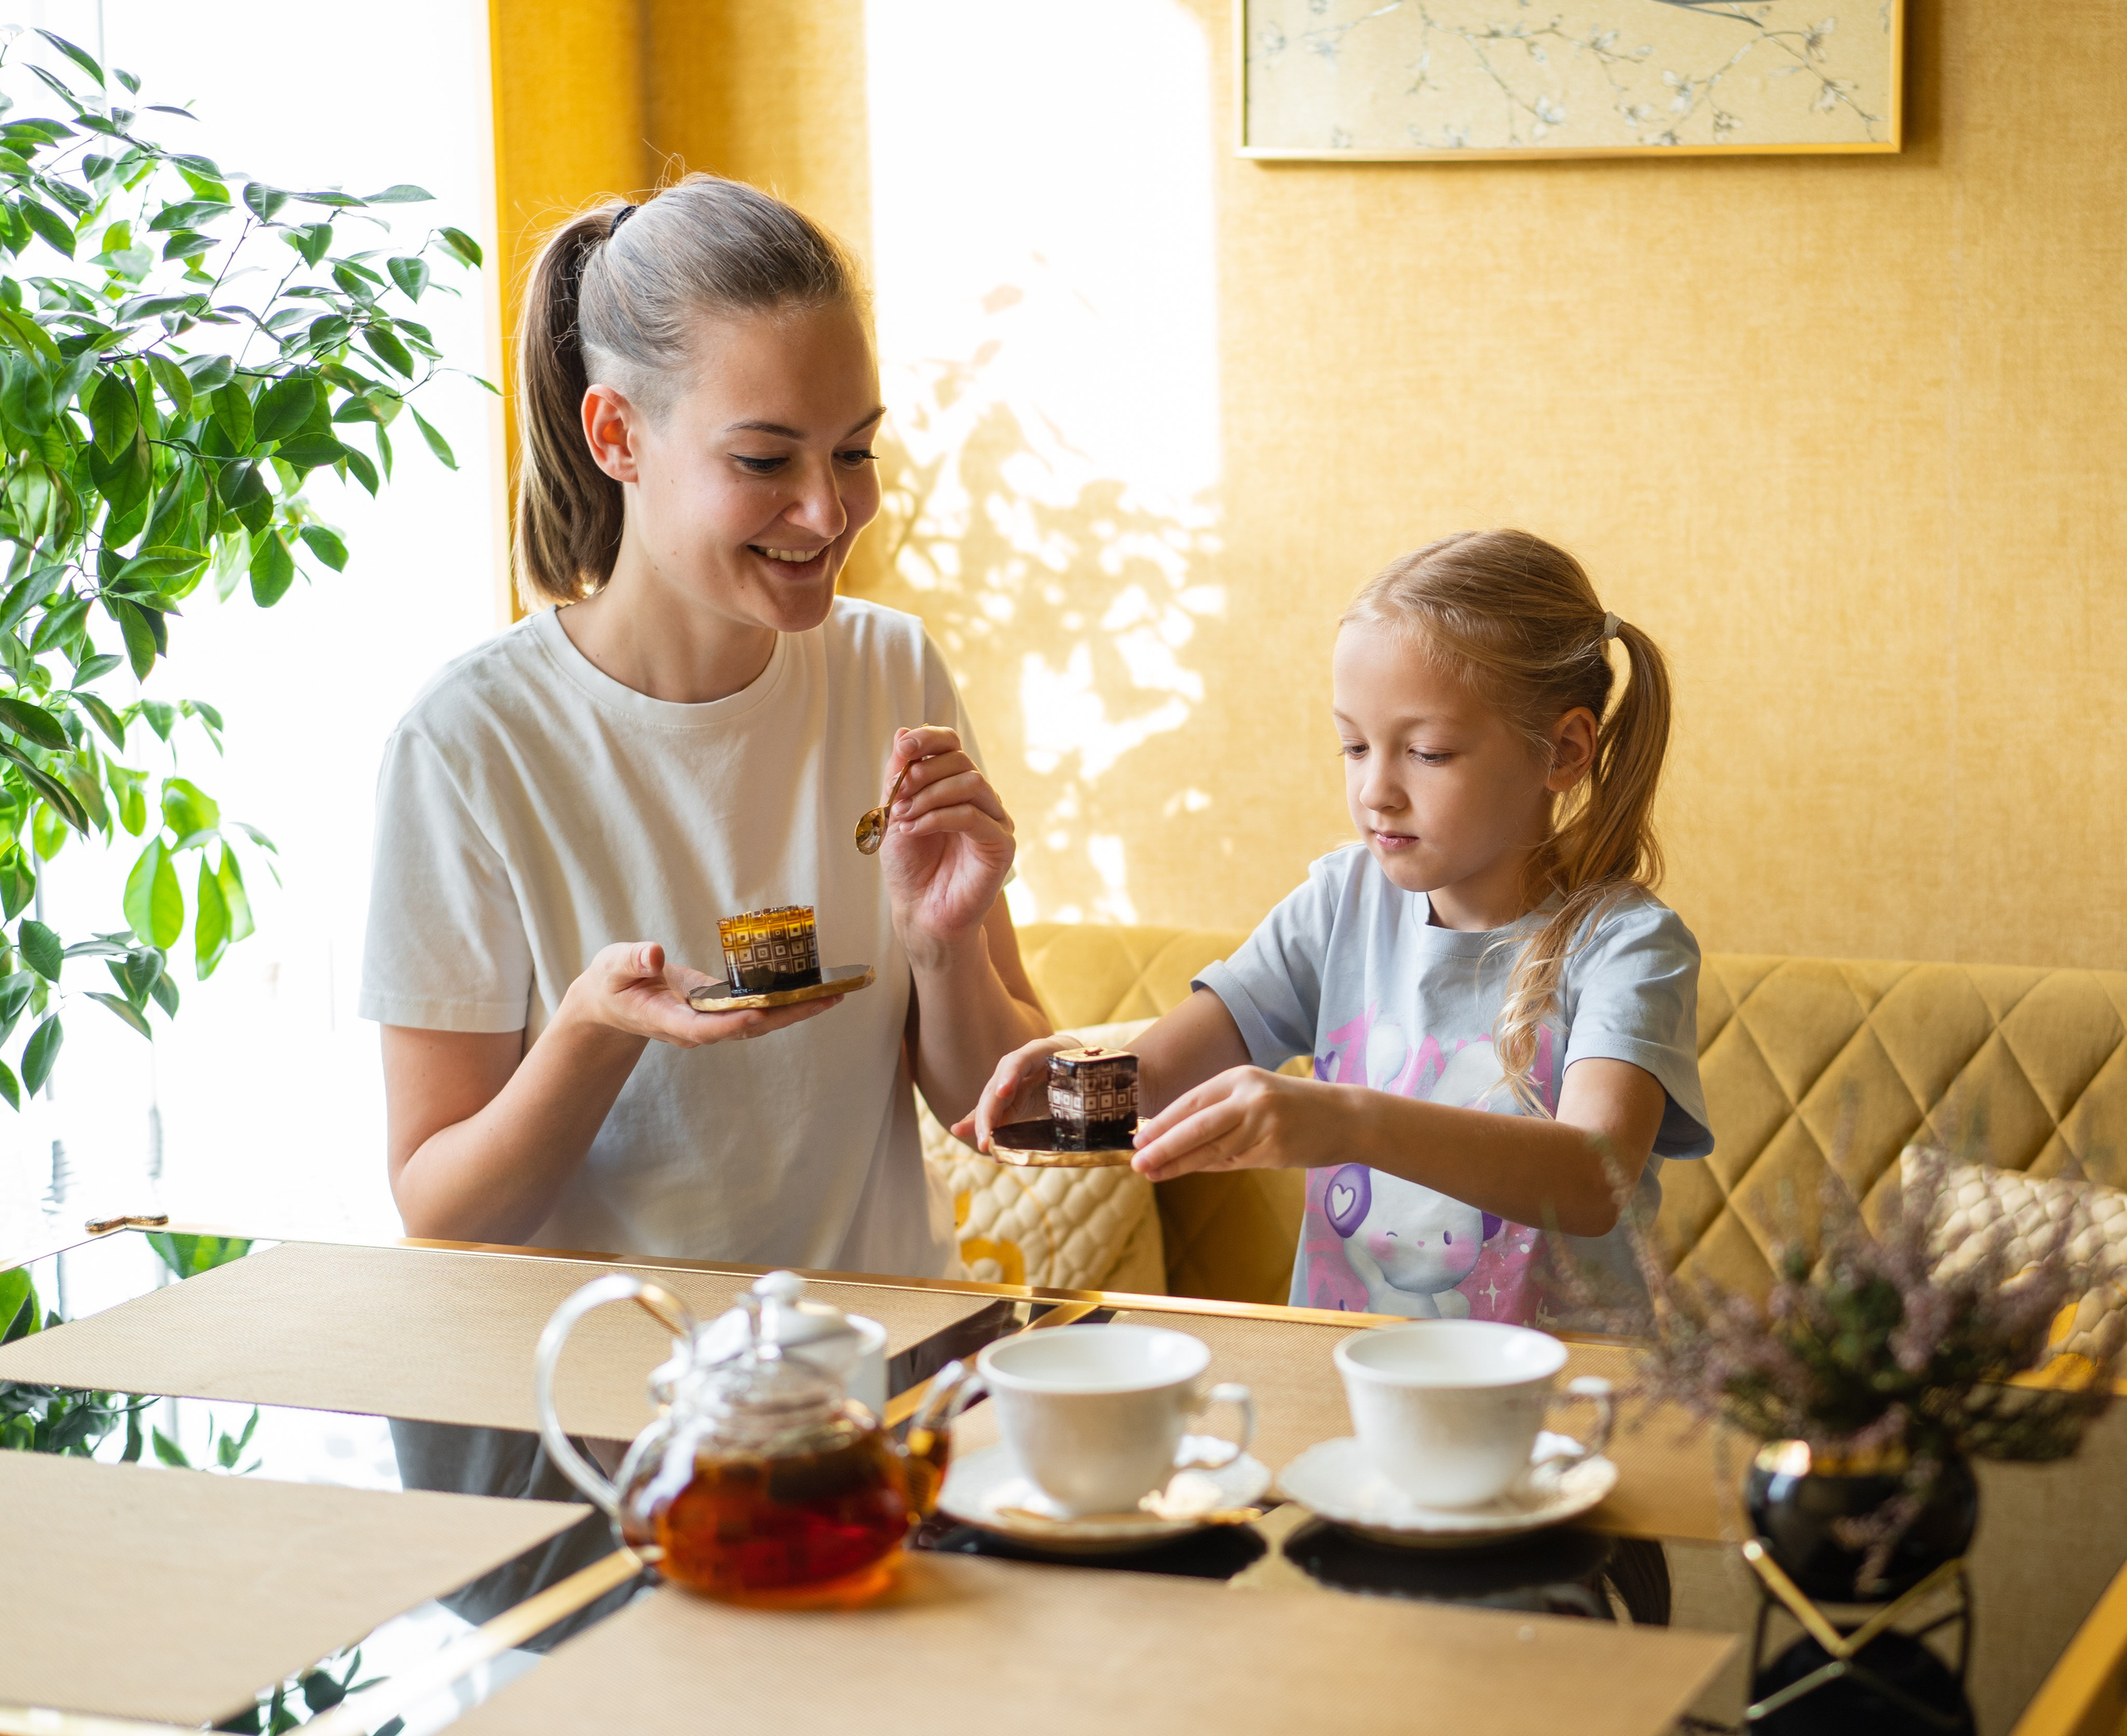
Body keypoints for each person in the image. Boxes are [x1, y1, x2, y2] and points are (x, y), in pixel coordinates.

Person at [361, 174, 1049, 1276]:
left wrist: (945, 946)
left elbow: (1009, 1117)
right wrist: (593, 1031)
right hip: (610, 1411)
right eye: (766, 460)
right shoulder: (470, 744)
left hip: (874, 1395)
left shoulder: (889, 668)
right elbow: (444, 1215)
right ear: (617, 434)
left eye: (856, 451)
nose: (829, 512)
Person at [965, 530, 1711, 1322]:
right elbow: (1158, 1073)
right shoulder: (1338, 903)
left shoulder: (1627, 949)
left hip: (1551, 1409)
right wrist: (1077, 1076)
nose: (1375, 791)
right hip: (1347, 1382)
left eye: (1426, 752)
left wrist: (1345, 1120)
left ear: (1562, 752)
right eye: (1353, 746)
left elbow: (1593, 1182)